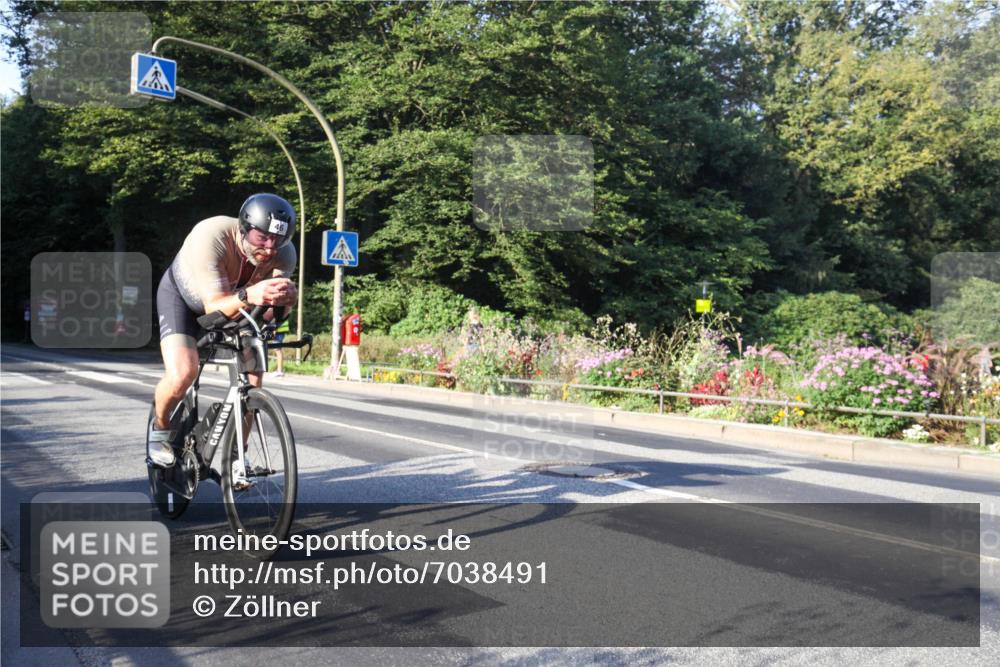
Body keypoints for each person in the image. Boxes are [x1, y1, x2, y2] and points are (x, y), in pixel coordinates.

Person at [150, 193, 298, 486]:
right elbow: (212, 307)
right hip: (184, 301)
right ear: (244, 227)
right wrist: (249, 294)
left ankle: (236, 459)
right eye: (261, 237)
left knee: (254, 375)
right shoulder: (212, 234)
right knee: (183, 374)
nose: (269, 248)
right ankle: (161, 429)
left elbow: (269, 314)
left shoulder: (285, 253)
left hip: (239, 308)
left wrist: (284, 305)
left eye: (277, 240)